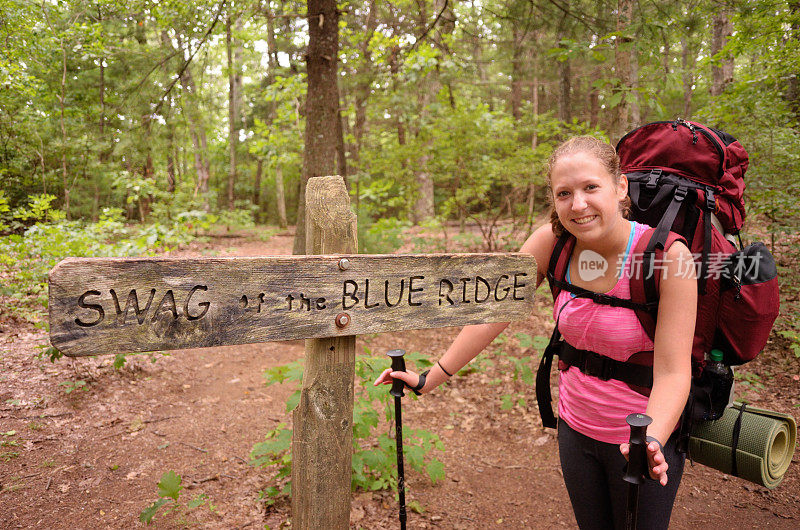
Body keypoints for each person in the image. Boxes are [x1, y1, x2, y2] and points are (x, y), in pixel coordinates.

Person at [374, 136, 697, 529]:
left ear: (620, 186)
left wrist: (652, 439)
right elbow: (494, 312)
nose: (577, 204)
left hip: (642, 441)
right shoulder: (552, 243)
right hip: (575, 430)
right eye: (564, 193)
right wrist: (431, 377)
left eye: (590, 187)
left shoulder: (667, 257)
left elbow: (675, 372)